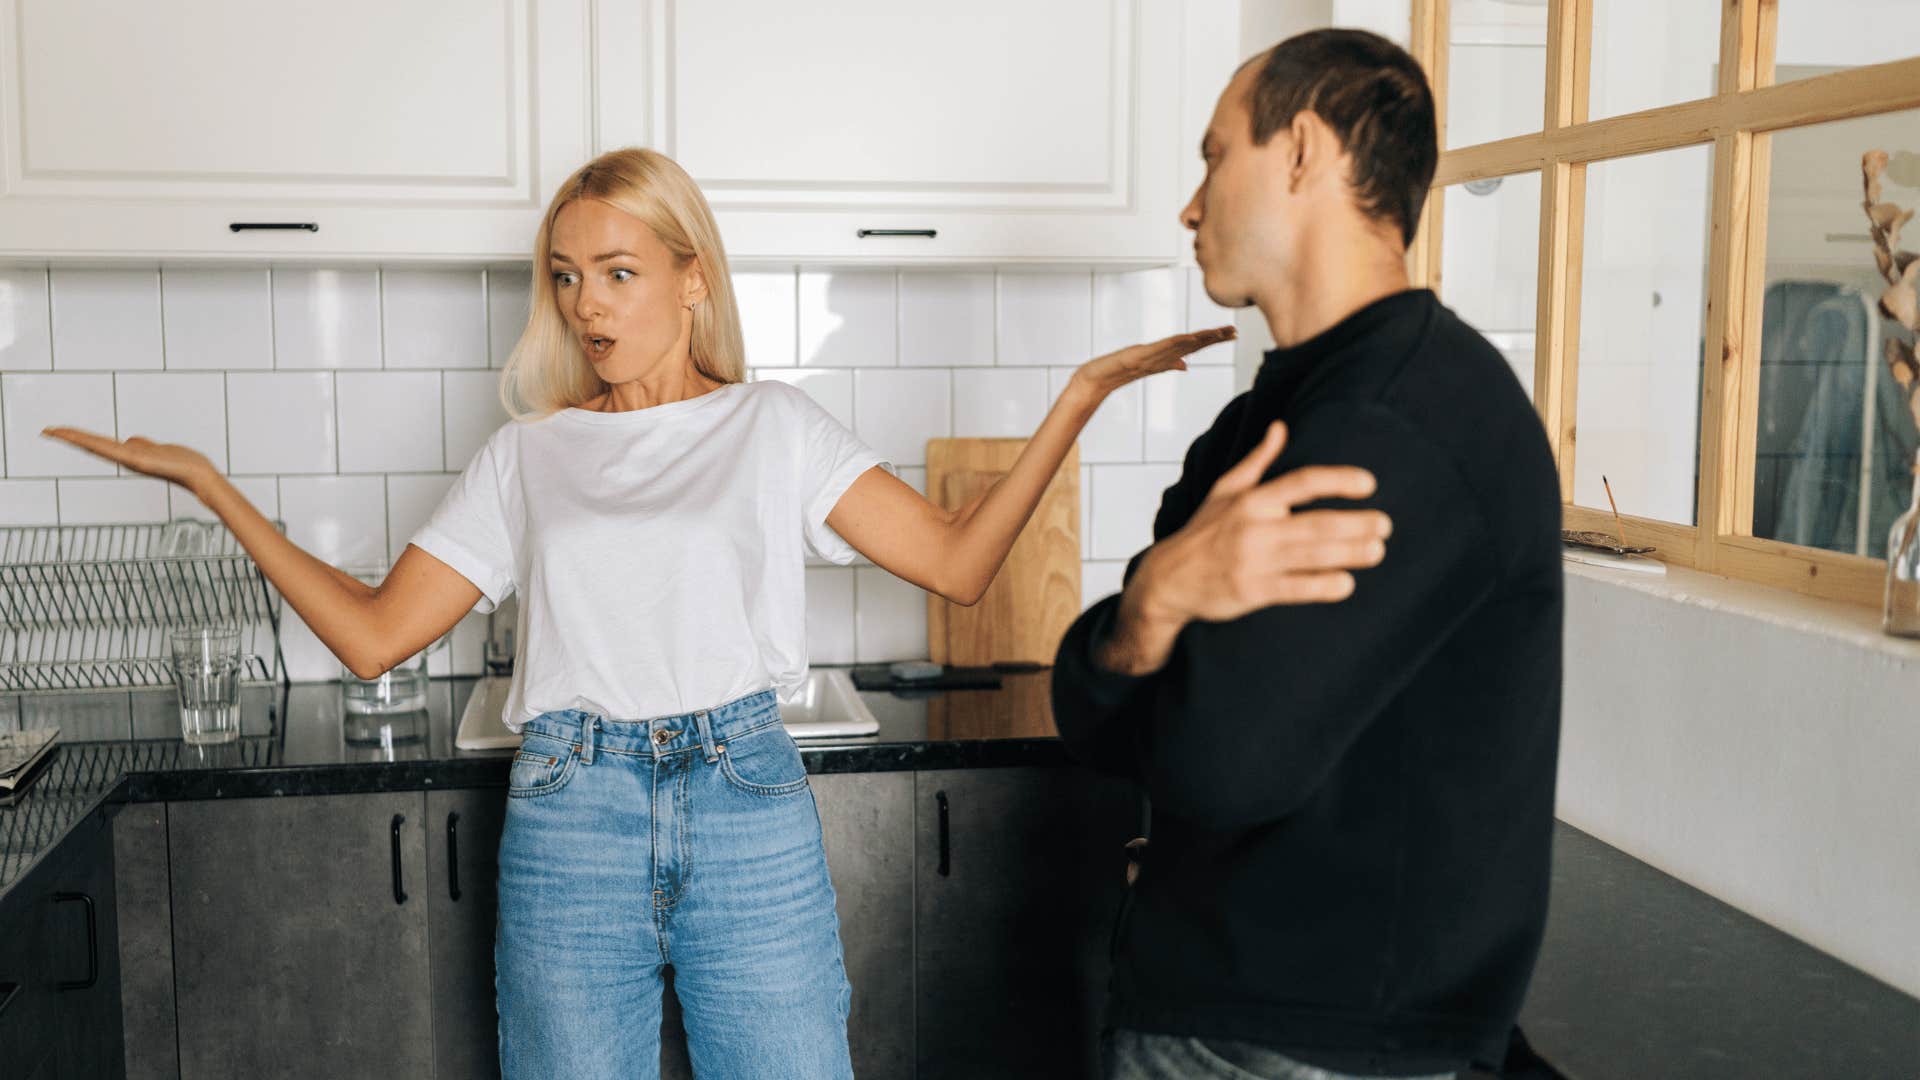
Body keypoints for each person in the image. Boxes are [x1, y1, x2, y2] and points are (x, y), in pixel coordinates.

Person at [42, 145, 1364, 1079]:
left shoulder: (769, 425)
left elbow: (958, 563)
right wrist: (214, 486)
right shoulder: (530, 453)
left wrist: (1073, 400)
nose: (586, 306)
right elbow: (378, 633)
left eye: (615, 272)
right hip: (571, 813)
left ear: (691, 277)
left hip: (746, 805)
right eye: (564, 278)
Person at [1050, 29, 1564, 1080]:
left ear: (1301, 151)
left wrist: (1143, 657)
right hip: (1233, 1023)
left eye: (1213, 155)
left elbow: (1216, 764)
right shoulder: (1269, 422)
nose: (1192, 204)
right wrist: (1151, 609)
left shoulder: (1401, 423)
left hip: (1303, 1048)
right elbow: (1088, 711)